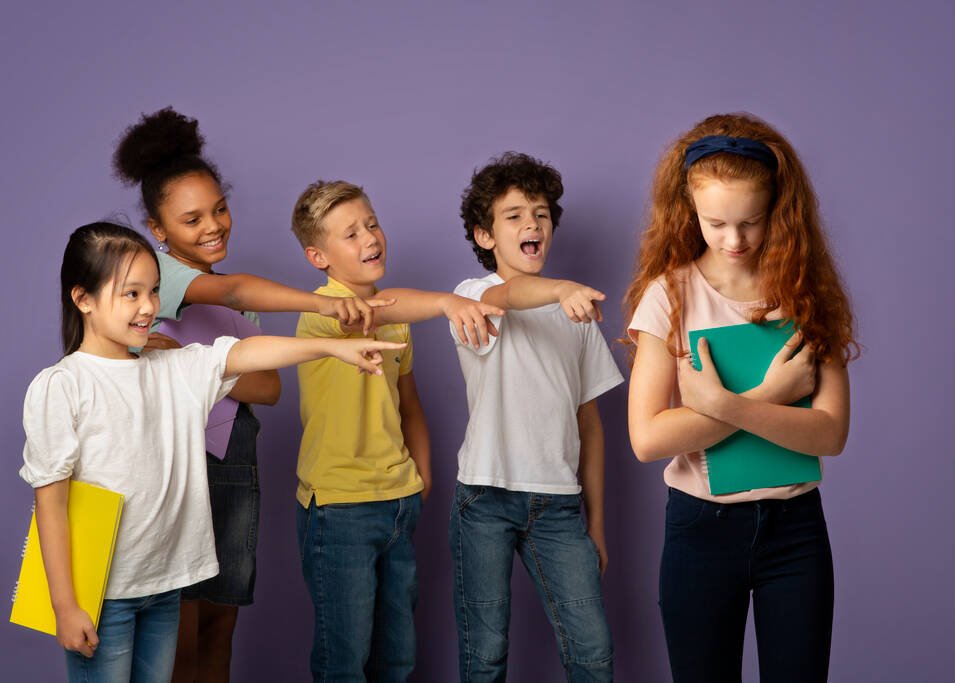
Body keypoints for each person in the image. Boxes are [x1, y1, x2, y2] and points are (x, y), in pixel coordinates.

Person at [20, 221, 403, 683]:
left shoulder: (175, 367)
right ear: (83, 299)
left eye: (154, 291)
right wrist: (65, 605)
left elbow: (248, 353)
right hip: (101, 593)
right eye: (131, 294)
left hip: (164, 588)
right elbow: (51, 504)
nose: (149, 308)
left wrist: (331, 348)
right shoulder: (63, 386)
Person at [112, 107, 389, 683]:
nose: (213, 226)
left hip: (234, 463)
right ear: (158, 231)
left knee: (220, 624)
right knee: (178, 628)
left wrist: (188, 361)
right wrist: (322, 304)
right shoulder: (156, 279)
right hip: (181, 467)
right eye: (191, 220)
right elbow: (234, 295)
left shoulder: (238, 298)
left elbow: (268, 386)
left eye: (218, 209)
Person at [624, 113, 860, 683]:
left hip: (795, 529)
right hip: (699, 532)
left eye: (750, 222)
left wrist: (727, 404)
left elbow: (830, 434)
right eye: (716, 223)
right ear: (689, 211)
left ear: (778, 208)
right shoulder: (668, 297)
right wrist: (773, 394)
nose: (734, 240)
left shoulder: (805, 293)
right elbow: (648, 439)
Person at [289, 179, 503, 682]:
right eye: (350, 234)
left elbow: (409, 405)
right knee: (343, 660)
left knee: (397, 655)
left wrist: (421, 476)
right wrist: (448, 303)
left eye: (372, 224)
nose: (369, 238)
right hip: (338, 508)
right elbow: (375, 310)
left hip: (397, 501)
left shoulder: (397, 319)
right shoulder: (320, 314)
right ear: (318, 256)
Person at [448, 152, 623, 682]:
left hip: (560, 506)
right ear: (485, 236)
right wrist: (563, 289)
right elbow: (512, 294)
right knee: (486, 655)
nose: (532, 224)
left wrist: (596, 523)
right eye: (515, 215)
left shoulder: (577, 314)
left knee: (592, 652)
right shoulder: (472, 298)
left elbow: (589, 425)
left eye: (542, 214)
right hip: (485, 498)